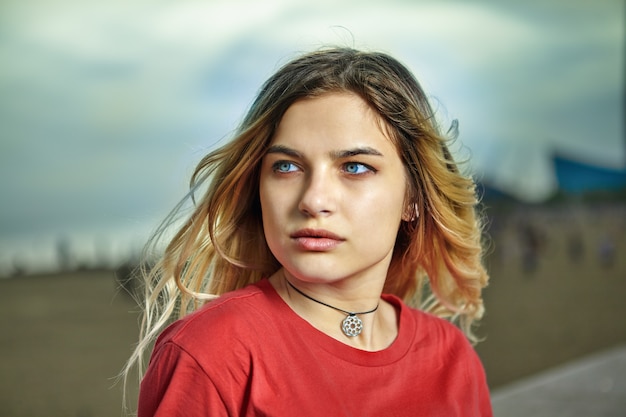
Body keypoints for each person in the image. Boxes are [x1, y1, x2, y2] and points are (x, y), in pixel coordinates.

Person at [124, 47, 492, 416]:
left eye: (355, 167)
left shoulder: (452, 359)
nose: (314, 200)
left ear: (413, 197)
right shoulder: (211, 354)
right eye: (286, 166)